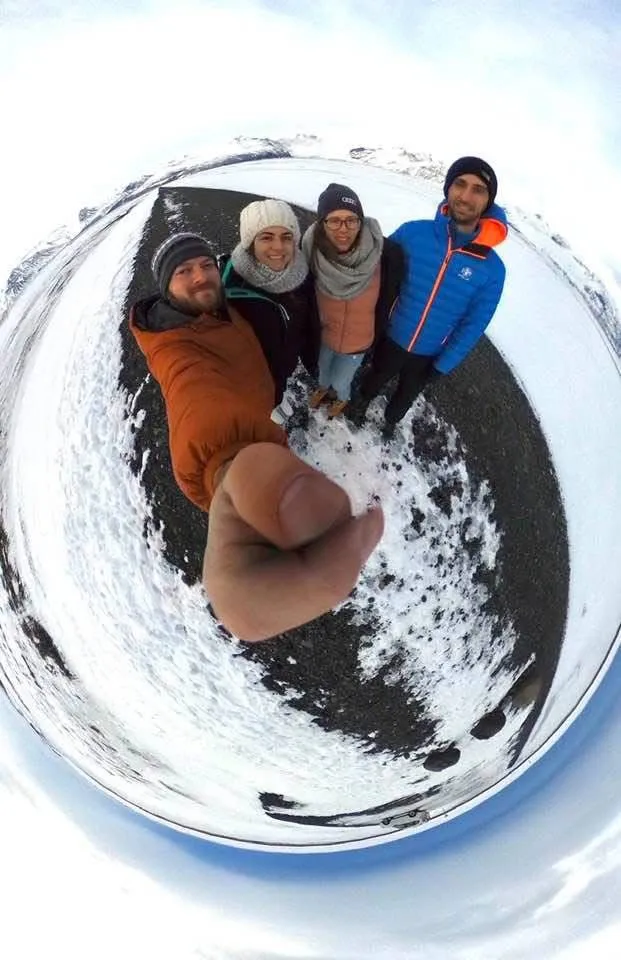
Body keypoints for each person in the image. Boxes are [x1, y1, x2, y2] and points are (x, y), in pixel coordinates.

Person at [129, 232, 383, 641]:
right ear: (166, 289)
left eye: (206, 266)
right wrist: (227, 472)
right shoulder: (174, 348)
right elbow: (196, 399)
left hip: (265, 403)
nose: (200, 277)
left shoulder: (219, 306)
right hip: (239, 444)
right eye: (183, 271)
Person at [355, 157, 508, 437]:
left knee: (405, 397)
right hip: (390, 338)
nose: (466, 195)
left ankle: (390, 422)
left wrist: (444, 364)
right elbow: (377, 277)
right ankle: (359, 406)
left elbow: (473, 325)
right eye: (460, 184)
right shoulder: (413, 233)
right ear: (448, 189)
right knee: (374, 378)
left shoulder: (493, 270)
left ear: (488, 201)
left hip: (428, 354)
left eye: (478, 189)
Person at [301, 183, 405, 418]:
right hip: (325, 338)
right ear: (322, 224)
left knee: (342, 381)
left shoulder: (384, 255)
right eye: (334, 220)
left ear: (361, 220)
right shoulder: (309, 252)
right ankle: (322, 389)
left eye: (351, 220)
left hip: (358, 343)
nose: (344, 229)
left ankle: (341, 400)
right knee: (323, 374)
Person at [220, 199, 320, 415]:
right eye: (266, 237)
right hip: (256, 376)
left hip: (287, 360)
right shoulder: (230, 288)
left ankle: (278, 398)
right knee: (269, 398)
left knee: (280, 383)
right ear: (249, 242)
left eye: (286, 237)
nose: (278, 247)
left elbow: (308, 322)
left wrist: (311, 360)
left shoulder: (303, 273)